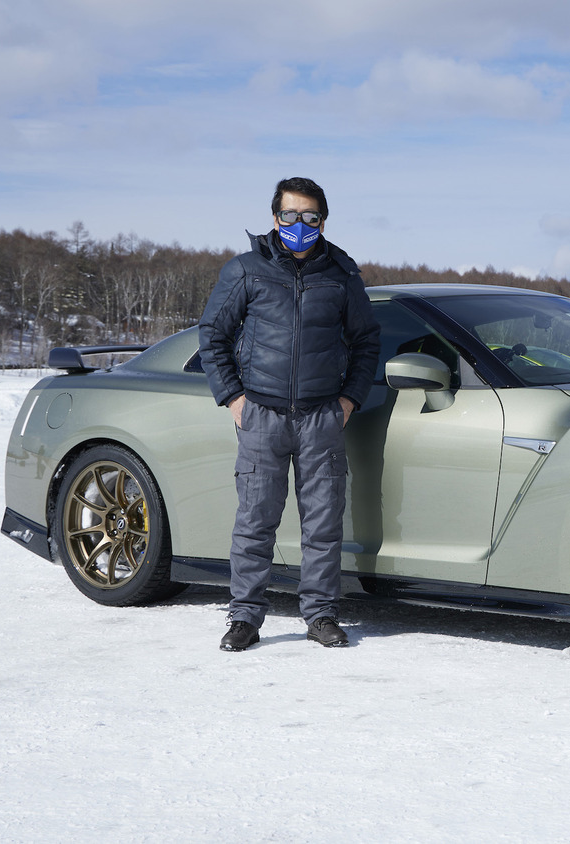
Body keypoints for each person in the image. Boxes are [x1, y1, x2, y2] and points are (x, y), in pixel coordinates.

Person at [198, 177, 380, 652]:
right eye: (290, 215)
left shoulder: (341, 275)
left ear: (323, 220)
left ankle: (320, 616)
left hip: (322, 416)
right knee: (256, 520)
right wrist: (233, 398)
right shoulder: (246, 270)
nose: (299, 225)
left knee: (323, 523)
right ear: (274, 217)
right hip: (261, 413)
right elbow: (212, 337)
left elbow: (366, 343)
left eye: (310, 217)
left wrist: (348, 400)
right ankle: (244, 618)